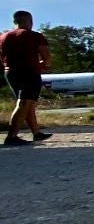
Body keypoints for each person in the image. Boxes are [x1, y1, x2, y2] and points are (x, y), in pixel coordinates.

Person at [2, 10, 52, 146]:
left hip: (10, 72)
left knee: (26, 103)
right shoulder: (34, 36)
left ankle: (36, 133)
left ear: (15, 21)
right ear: (30, 20)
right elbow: (45, 55)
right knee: (24, 102)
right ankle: (12, 136)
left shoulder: (4, 36)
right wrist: (44, 63)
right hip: (29, 71)